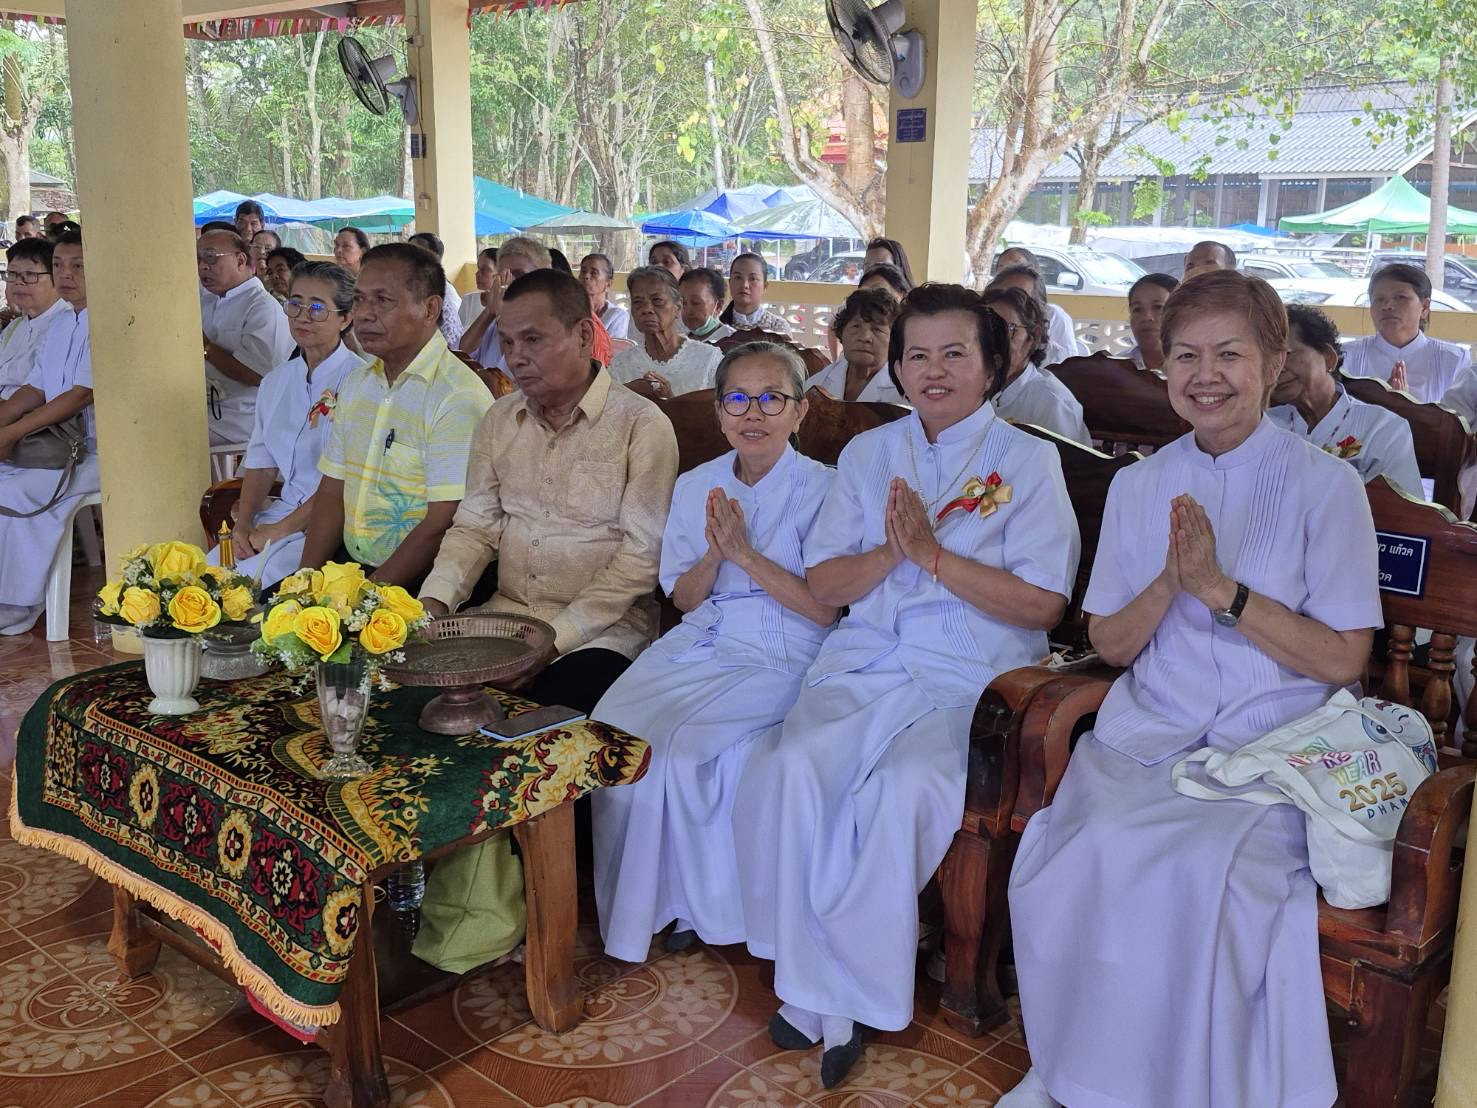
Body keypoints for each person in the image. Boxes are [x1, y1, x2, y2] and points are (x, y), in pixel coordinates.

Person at [1003, 271, 1381, 1108]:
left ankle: (1178, 1088)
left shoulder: (1329, 487)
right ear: (1161, 364)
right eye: (1185, 356)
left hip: (1270, 749)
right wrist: (1170, 582)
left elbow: (1342, 659)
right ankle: (1069, 1069)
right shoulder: (1141, 484)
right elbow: (1106, 641)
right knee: (1072, 855)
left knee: (1192, 871)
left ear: (1274, 359)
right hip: (1149, 732)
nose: (1204, 376)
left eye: (1228, 355)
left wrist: (1222, 593)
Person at [733, 283, 1080, 1089]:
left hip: (975, 674)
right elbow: (825, 581)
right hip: (867, 663)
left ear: (994, 366)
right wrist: (894, 554)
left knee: (898, 792)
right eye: (916, 355)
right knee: (791, 771)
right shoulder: (868, 455)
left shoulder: (1027, 461)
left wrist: (931, 555)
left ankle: (844, 1000)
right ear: (895, 368)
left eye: (955, 353)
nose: (933, 370)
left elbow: (1042, 602)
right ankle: (816, 984)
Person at [413, 269, 678, 974]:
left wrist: (551, 640)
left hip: (602, 632)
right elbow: (473, 528)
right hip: (503, 617)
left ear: (585, 335)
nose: (516, 356)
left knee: (535, 718)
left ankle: (528, 900)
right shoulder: (501, 419)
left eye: (533, 339)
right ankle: (444, 880)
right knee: (410, 701)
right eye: (506, 340)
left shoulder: (640, 427)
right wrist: (433, 606)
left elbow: (638, 564)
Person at [593, 342, 837, 962]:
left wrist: (747, 553)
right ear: (722, 412)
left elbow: (823, 609)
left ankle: (704, 910)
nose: (752, 413)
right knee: (616, 733)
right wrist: (714, 552)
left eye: (771, 398)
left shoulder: (826, 489)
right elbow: (686, 598)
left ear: (799, 412)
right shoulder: (699, 483)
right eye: (737, 398)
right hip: (708, 637)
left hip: (787, 645)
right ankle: (646, 905)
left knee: (689, 749)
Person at [301, 243, 491, 587]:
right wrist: (305, 584)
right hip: (351, 569)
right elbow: (333, 489)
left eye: (383, 301)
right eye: (359, 299)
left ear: (430, 308)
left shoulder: (456, 397)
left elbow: (442, 523)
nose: (365, 314)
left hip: (424, 579)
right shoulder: (358, 384)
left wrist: (364, 601)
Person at [214, 262, 368, 588]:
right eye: (294, 304)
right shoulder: (275, 382)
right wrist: (244, 526)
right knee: (208, 574)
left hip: (333, 524)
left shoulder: (361, 382)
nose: (302, 316)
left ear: (346, 317)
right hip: (280, 513)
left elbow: (349, 480)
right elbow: (261, 463)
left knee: (257, 586)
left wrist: (279, 531)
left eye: (317, 308)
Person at [0, 230, 98, 636]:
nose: (66, 274)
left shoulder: (103, 320)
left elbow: (80, 395)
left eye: (78, 265)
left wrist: (13, 432)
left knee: (16, 491)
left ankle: (18, 604)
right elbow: (36, 388)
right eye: (58, 265)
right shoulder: (63, 323)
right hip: (53, 442)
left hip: (94, 450)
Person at [1269, 304, 1422, 495]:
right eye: (1267, 360)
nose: (1276, 370)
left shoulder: (1384, 428)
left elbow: (1406, 516)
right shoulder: (1262, 425)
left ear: (1328, 358)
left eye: (1286, 355)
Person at [198, 228, 295, 446]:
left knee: (155, 433)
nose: (203, 266)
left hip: (238, 416)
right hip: (201, 404)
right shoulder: (208, 300)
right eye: (199, 259)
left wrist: (205, 347)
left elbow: (257, 373)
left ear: (241, 260)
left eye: (211, 258)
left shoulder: (262, 307)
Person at [1342, 264, 1471, 403]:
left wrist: (1406, 406)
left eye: (1400, 297)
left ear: (1425, 307)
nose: (1387, 306)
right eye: (1379, 299)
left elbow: (1458, 420)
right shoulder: (1346, 356)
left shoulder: (1454, 359)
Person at [984, 285, 1091, 444]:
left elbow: (1066, 466)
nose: (995, 340)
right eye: (987, 328)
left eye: (1008, 329)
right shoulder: (974, 390)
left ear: (1033, 336)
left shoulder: (1052, 402)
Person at [609, 265, 723, 398]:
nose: (647, 309)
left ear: (678, 307)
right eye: (638, 302)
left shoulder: (709, 359)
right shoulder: (620, 365)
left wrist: (672, 403)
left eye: (657, 301)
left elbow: (720, 412)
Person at [459, 235, 551, 383]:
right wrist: (489, 311)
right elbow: (462, 355)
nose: (509, 282)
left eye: (518, 275)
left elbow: (509, 376)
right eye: (503, 276)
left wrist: (503, 316)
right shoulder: (491, 322)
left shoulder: (548, 324)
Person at [806, 286, 903, 403]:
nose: (865, 337)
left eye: (877, 329)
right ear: (841, 333)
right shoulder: (816, 385)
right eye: (856, 326)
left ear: (894, 339)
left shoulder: (904, 392)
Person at [0, 238, 68, 400]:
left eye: (30, 275)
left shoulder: (68, 325)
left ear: (56, 278)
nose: (18, 282)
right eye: (13, 274)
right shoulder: (15, 326)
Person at [994, 247, 1081, 360]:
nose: (1009, 275)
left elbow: (1068, 363)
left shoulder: (1054, 315)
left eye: (1017, 268)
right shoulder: (989, 313)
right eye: (1002, 269)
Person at [407, 231, 464, 348]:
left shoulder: (443, 292)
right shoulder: (419, 286)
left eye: (417, 253)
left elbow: (452, 342)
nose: (409, 259)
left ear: (435, 257)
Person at [720, 253, 792, 335]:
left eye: (753, 279)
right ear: (730, 283)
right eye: (738, 277)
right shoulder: (718, 327)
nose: (744, 285)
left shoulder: (777, 327)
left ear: (765, 286)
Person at [1124, 272, 1177, 370]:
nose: (1147, 317)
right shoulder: (1117, 369)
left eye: (1158, 307)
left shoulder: (1200, 370)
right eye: (1137, 309)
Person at [577, 253, 630, 340]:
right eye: (583, 271)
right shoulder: (570, 311)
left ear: (608, 284)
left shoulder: (617, 315)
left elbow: (610, 350)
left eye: (594, 273)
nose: (586, 276)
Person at [678, 267, 732, 342]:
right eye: (683, 303)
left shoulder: (732, 341)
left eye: (696, 303)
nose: (687, 310)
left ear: (718, 306)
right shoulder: (679, 342)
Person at [458, 247, 500, 332]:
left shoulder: (509, 305)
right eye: (478, 268)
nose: (477, 274)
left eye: (485, 269)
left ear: (500, 272)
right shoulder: (469, 300)